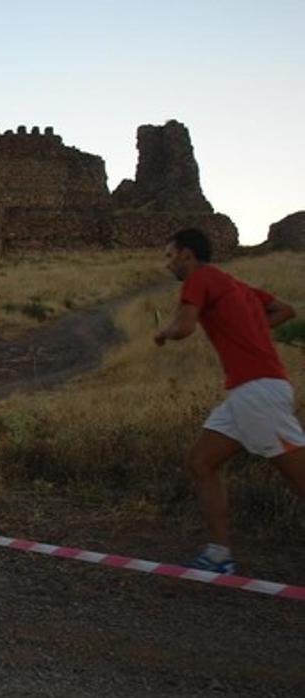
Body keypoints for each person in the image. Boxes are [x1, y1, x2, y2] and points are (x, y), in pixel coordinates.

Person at [153, 228, 304, 573]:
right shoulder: (236, 286)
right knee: (201, 463)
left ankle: (220, 553)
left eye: (170, 256)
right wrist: (248, 331)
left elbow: (185, 327)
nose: (167, 264)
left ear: (187, 256)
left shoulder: (200, 279)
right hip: (246, 392)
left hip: (258, 392)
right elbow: (285, 310)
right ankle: (219, 554)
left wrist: (163, 332)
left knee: (300, 479)